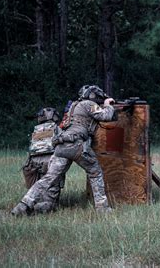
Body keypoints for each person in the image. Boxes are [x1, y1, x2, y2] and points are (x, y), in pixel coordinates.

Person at [11, 85, 116, 216]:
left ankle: (23, 205)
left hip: (62, 145)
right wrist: (108, 105)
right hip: (76, 145)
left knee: (49, 178)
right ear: (93, 96)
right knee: (95, 172)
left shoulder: (73, 106)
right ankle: (102, 209)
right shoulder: (88, 104)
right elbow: (106, 116)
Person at [21, 107, 65, 206]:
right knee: (51, 187)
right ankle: (46, 206)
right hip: (50, 162)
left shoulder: (36, 130)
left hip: (33, 163)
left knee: (37, 187)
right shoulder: (56, 128)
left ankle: (33, 203)